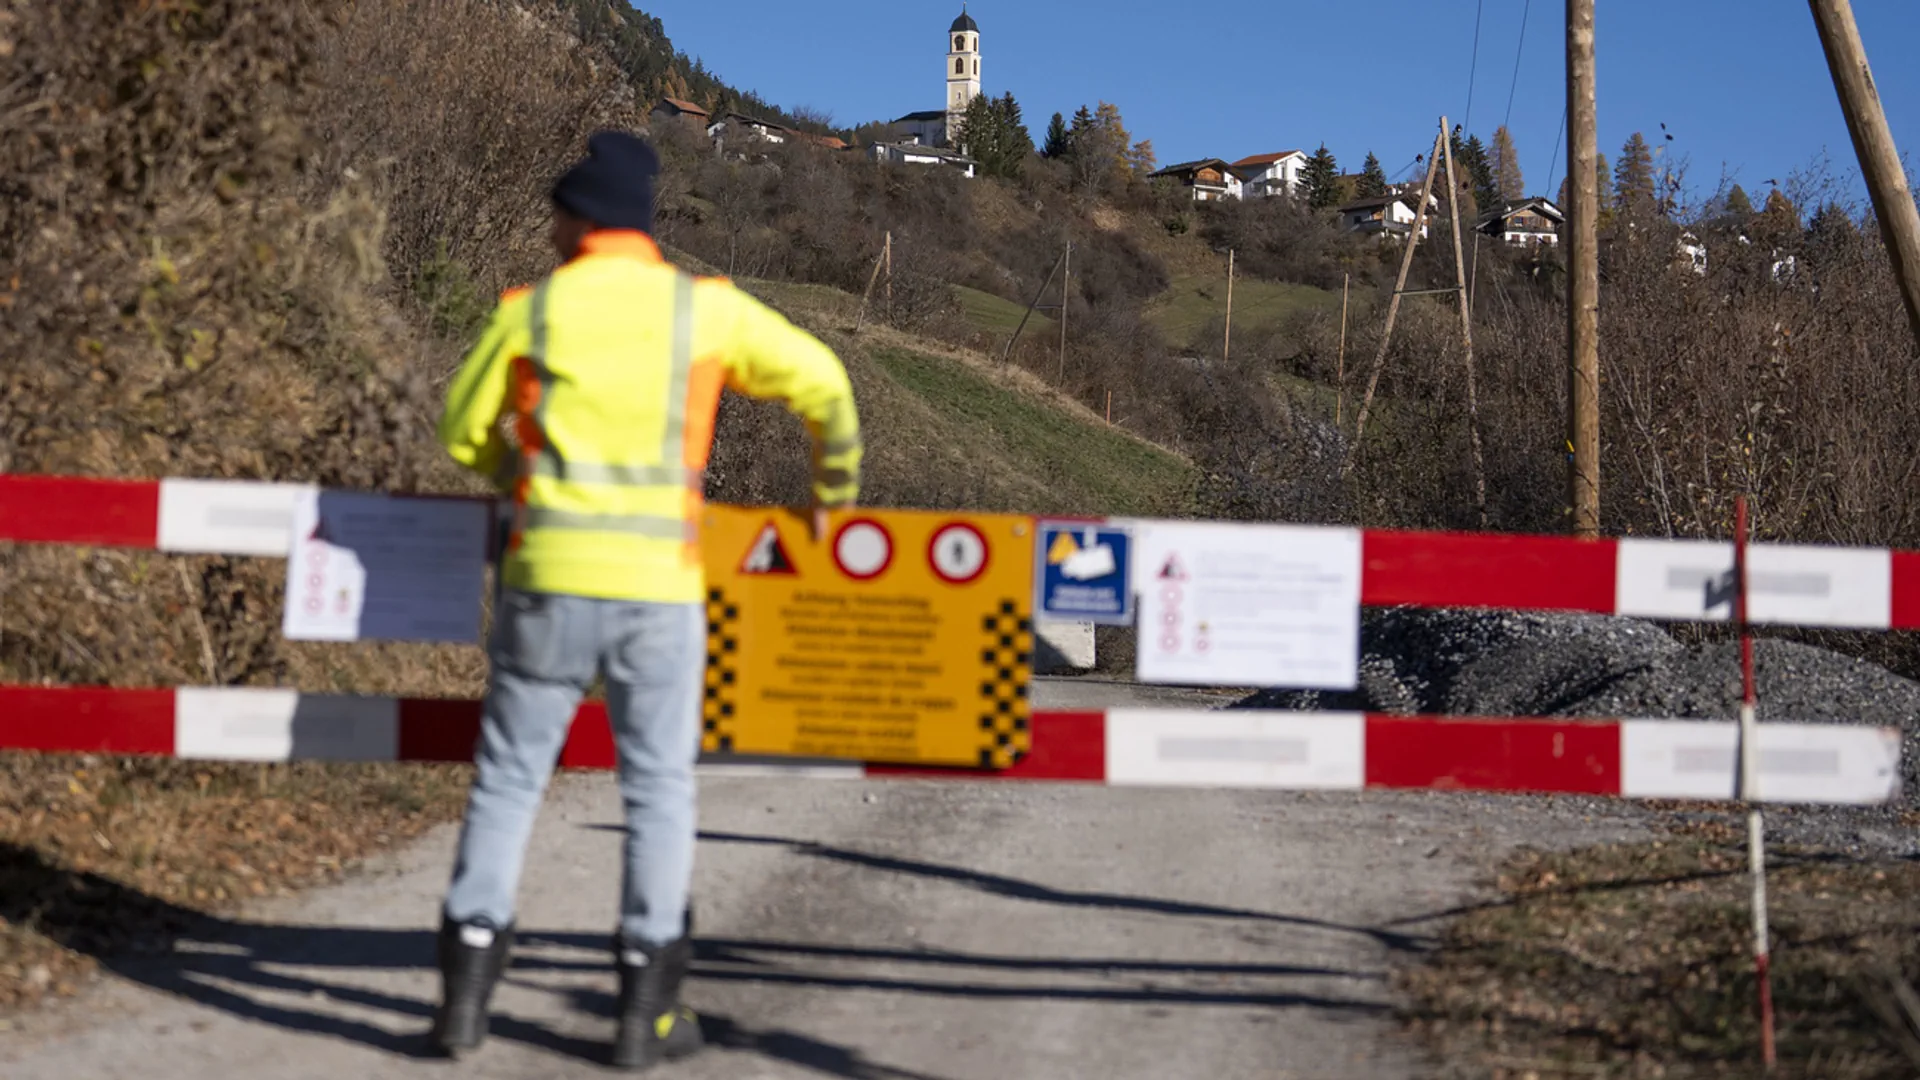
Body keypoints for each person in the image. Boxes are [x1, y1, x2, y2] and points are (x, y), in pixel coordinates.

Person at [429, 129, 862, 1069]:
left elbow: (461, 432)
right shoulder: (703, 312)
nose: (549, 225)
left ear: (582, 219)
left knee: (509, 781)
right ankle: (645, 1019)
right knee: (659, 789)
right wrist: (832, 499)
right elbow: (827, 385)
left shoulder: (530, 311)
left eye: (556, 211)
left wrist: (519, 476)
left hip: (545, 580)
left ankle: (463, 1005)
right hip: (658, 594)